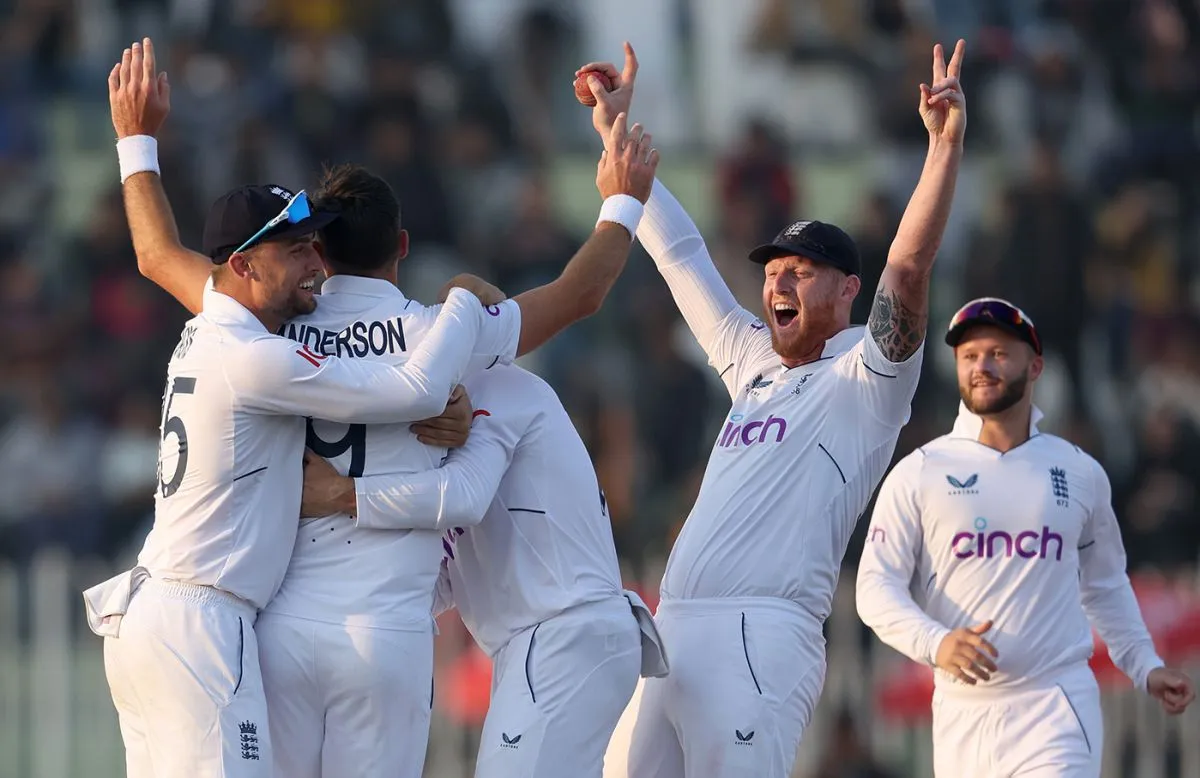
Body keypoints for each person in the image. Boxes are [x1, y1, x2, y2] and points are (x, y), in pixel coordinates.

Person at [103, 37, 662, 778]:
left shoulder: (262, 322)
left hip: (274, 627)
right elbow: (578, 295)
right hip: (382, 633)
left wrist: (136, 141)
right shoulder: (440, 336)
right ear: (401, 244)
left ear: (319, 256)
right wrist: (621, 198)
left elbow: (155, 253)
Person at [586, 41, 969, 777]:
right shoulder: (751, 359)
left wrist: (943, 149)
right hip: (674, 630)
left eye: (800, 272)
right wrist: (616, 133)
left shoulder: (867, 377)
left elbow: (910, 265)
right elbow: (682, 257)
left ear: (847, 289)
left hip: (764, 634)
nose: (777, 286)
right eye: (771, 273)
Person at [300, 280, 668, 778]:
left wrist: (343, 495)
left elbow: (464, 496)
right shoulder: (439, 426)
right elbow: (439, 573)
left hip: (564, 631)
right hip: (548, 641)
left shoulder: (503, 386)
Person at [855, 297, 1196, 778]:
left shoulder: (1079, 471)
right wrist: (936, 643)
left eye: (998, 353)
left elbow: (1106, 586)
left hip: (1055, 705)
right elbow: (874, 589)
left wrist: (1145, 665)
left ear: (1035, 367)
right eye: (969, 356)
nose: (982, 366)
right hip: (961, 717)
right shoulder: (919, 473)